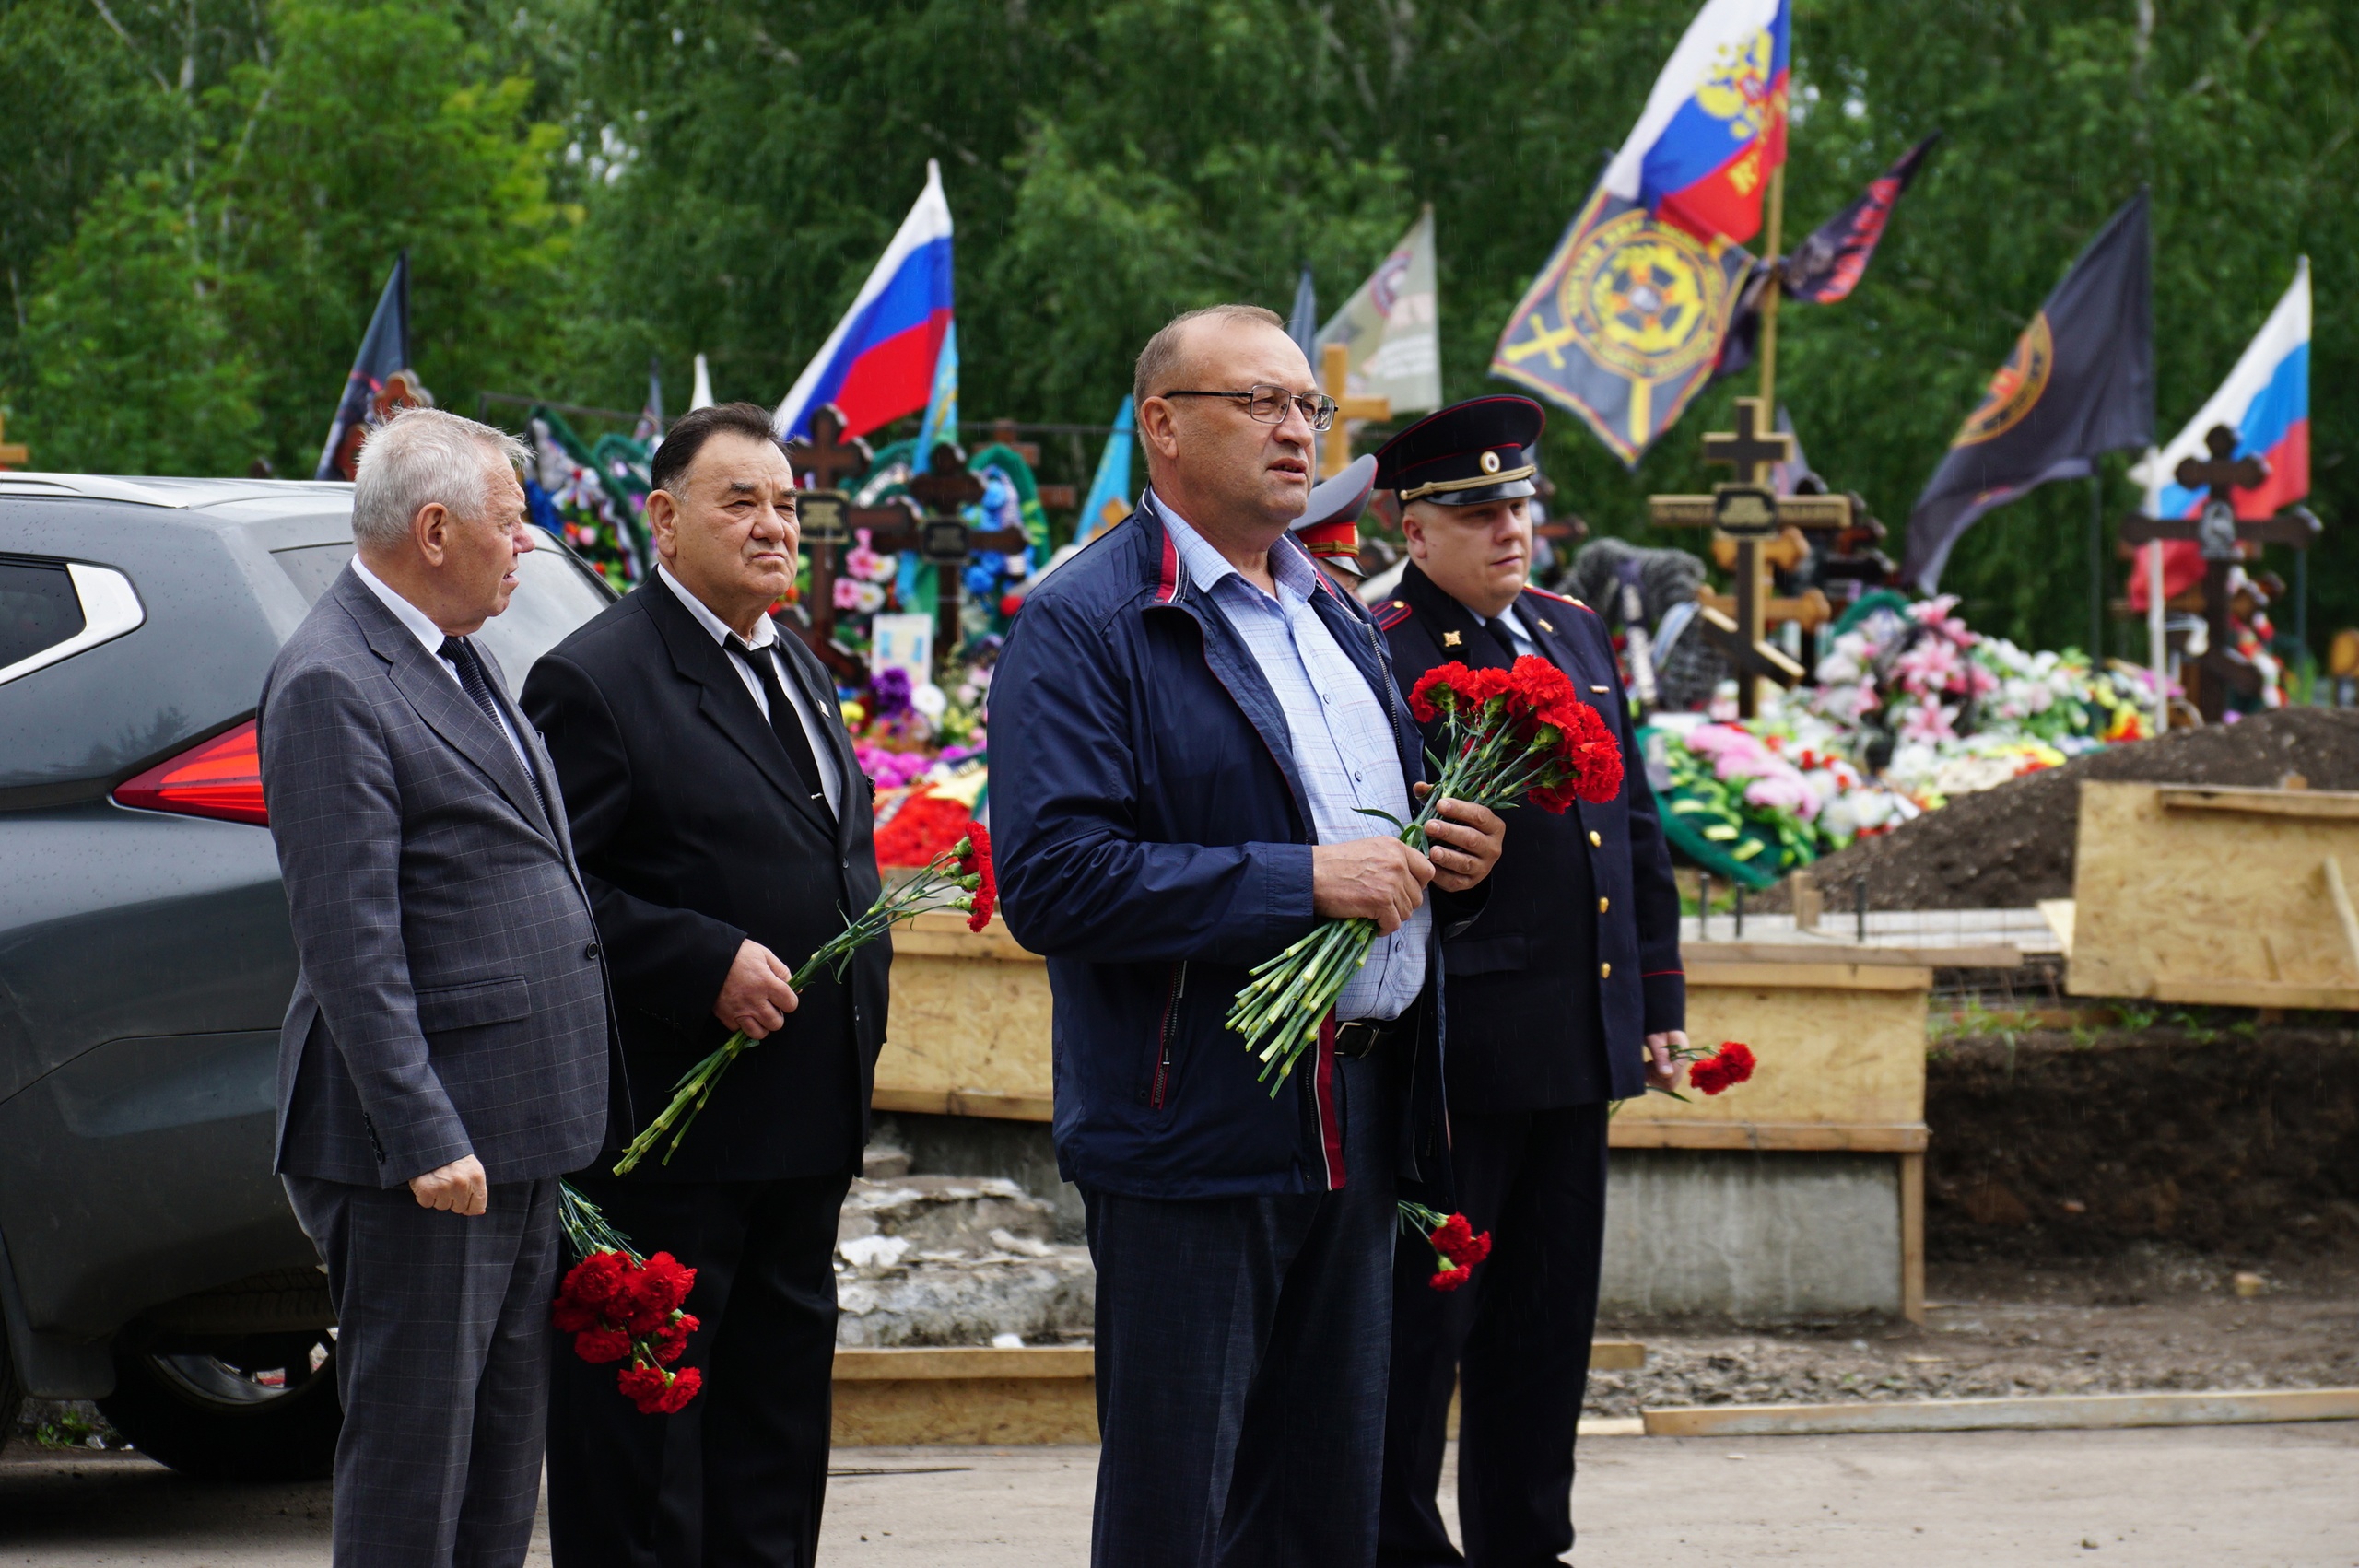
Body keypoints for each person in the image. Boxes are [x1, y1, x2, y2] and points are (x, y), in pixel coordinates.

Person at [991, 304, 1508, 1568]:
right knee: (1185, 1499)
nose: (1296, 429)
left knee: (1330, 1497)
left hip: (1361, 1111)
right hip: (1195, 1120)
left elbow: (1376, 847)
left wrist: (1459, 866)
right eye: (1259, 403)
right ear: (1162, 426)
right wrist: (1300, 880)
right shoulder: (1090, 622)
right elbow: (1054, 880)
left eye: (1308, 407)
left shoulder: (1332, 614)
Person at [521, 401, 887, 1568]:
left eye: (786, 503)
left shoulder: (800, 670)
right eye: (743, 501)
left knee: (774, 1447)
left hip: (801, 1125)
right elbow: (547, 894)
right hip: (666, 1146)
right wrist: (700, 958)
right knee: (646, 1465)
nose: (776, 524)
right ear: (665, 521)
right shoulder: (595, 678)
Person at [257, 406, 624, 1568]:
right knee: (417, 1465)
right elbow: (348, 939)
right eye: (511, 524)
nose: (527, 545)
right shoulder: (333, 679)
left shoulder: (456, 653)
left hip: (512, 1127)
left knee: (498, 1464)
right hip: (424, 1150)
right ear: (432, 529)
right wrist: (424, 1134)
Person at [1365, 396, 1685, 1568]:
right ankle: (1397, 1545)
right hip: (1460, 1058)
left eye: (1522, 505)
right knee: (1424, 1337)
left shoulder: (1570, 631)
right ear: (1411, 524)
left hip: (1575, 1047)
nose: (1510, 529)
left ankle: (1525, 1545)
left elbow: (1632, 834)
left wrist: (1654, 1006)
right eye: (1478, 510)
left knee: (1545, 1336)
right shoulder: (1385, 646)